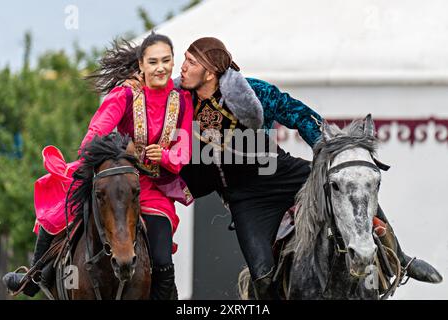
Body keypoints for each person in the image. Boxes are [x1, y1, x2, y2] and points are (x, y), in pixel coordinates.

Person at [126, 37, 442, 299]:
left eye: (191, 61)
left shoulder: (253, 92)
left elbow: (297, 113)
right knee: (262, 275)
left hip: (283, 173)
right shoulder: (177, 100)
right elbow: (142, 107)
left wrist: (329, 145)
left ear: (210, 71)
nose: (182, 67)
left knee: (349, 179)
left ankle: (400, 257)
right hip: (245, 198)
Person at [3, 32, 194, 300]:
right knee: (58, 208)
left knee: (162, 260)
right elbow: (97, 130)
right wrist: (92, 154)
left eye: (165, 60)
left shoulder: (183, 101)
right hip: (118, 176)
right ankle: (35, 275)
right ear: (141, 65)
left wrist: (162, 156)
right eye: (153, 62)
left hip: (152, 189)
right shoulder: (124, 94)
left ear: (173, 62)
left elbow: (182, 155)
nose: (160, 67)